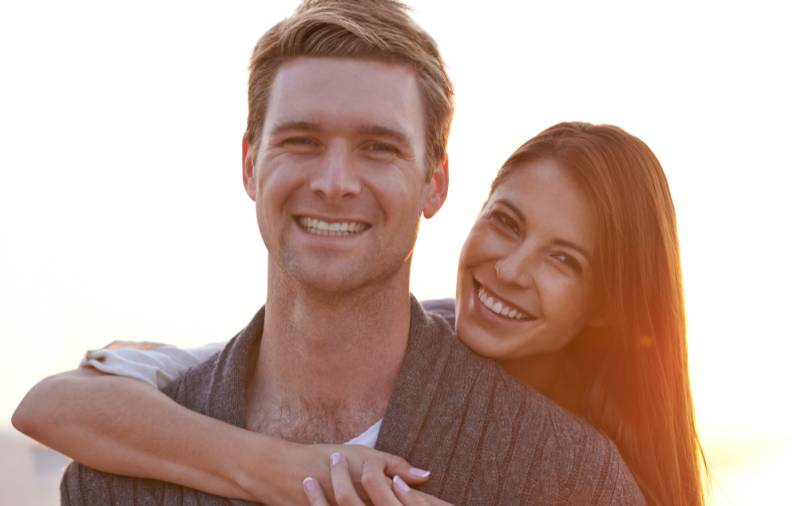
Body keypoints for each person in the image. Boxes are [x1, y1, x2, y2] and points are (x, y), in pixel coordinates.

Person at [12, 1, 646, 505]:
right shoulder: (115, 481)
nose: (335, 182)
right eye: (302, 140)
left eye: (378, 148)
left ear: (436, 181)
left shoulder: (569, 478)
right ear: (250, 166)